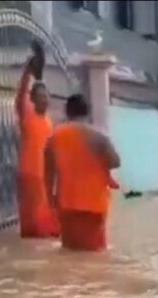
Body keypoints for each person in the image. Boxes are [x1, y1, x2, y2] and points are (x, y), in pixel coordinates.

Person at [44, 94, 121, 252]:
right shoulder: (99, 136)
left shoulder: (54, 137)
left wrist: (50, 200)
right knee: (94, 256)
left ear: (67, 111)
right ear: (88, 112)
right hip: (94, 205)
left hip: (66, 203)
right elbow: (115, 161)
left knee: (69, 251)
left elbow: (48, 172)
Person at [15, 43, 59, 238]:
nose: (44, 100)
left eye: (46, 97)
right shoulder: (28, 114)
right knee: (31, 222)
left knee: (43, 219)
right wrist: (27, 72)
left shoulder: (49, 122)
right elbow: (21, 95)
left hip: (45, 175)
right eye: (40, 97)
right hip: (30, 173)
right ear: (32, 99)